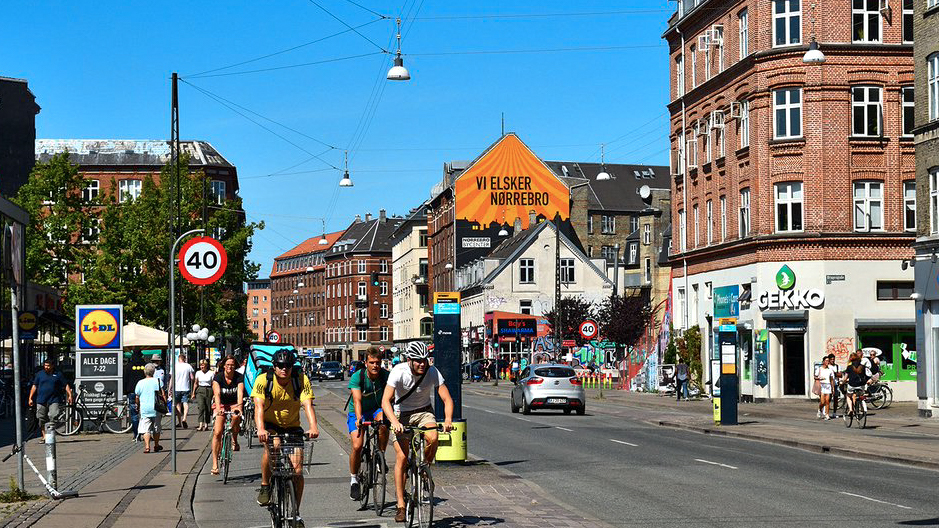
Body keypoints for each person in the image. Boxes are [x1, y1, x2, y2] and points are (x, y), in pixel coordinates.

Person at [381, 342, 454, 523]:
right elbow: (385, 401)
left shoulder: (432, 372)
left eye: (425, 360)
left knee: (433, 436)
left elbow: (447, 399)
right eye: (418, 361)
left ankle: (425, 468)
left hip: (424, 411)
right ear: (410, 360)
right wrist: (395, 422)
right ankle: (400, 505)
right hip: (401, 413)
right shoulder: (398, 372)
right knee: (402, 458)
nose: (423, 364)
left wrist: (448, 419)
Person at [252, 348, 318, 528]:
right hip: (270, 425)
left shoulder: (300, 379)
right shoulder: (263, 380)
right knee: (273, 446)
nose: (284, 369)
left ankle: (296, 513)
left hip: (293, 426)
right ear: (274, 367)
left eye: (288, 365)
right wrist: (260, 429)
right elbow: (258, 407)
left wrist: (313, 427)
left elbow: (308, 405)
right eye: (280, 365)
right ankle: (265, 485)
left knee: (297, 472)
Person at [347, 347, 389, 501]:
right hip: (357, 412)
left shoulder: (385, 376)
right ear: (366, 363)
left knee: (383, 424)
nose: (375, 365)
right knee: (357, 446)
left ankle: (380, 455)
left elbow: (390, 397)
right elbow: (357, 400)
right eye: (372, 362)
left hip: (376, 409)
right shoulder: (358, 377)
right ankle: (354, 479)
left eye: (378, 362)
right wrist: (359, 418)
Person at [211, 355, 244, 475]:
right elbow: (217, 394)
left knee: (236, 417)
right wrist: (219, 408)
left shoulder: (239, 377)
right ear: (224, 366)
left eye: (232, 365)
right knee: (218, 432)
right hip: (222, 404)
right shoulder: (218, 377)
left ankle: (234, 439)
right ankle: (215, 463)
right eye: (228, 364)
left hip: (234, 403)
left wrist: (239, 408)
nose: (230, 367)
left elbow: (240, 392)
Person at [28, 359, 73, 435]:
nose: (46, 367)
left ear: (52, 366)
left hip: (54, 399)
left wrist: (70, 395)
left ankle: (50, 434)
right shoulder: (40, 374)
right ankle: (44, 435)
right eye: (45, 365)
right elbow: (34, 386)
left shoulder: (58, 374)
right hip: (41, 400)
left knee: (53, 415)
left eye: (48, 366)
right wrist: (30, 398)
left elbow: (65, 385)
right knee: (41, 418)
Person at [134, 363, 165, 453]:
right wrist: (165, 405)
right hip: (156, 408)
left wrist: (138, 406)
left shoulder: (140, 383)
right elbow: (163, 394)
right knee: (156, 428)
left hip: (145, 409)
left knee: (145, 429)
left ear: (145, 372)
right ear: (154, 372)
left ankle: (147, 447)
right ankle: (156, 445)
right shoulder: (158, 381)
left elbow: (137, 397)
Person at [174, 353, 195, 429]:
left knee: (178, 405)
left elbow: (171, 378)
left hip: (176, 388)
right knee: (185, 403)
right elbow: (192, 378)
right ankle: (184, 418)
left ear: (178, 359)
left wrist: (170, 388)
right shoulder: (188, 366)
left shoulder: (175, 366)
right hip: (185, 387)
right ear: (184, 359)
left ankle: (179, 422)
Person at [192, 359, 214, 431]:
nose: (201, 367)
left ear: (206, 366)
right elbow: (195, 383)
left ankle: (206, 424)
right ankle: (200, 424)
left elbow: (213, 383)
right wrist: (193, 393)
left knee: (208, 408)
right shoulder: (198, 373)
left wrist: (214, 394)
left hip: (209, 390)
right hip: (200, 389)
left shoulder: (211, 373)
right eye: (201, 365)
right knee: (201, 407)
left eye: (203, 365)